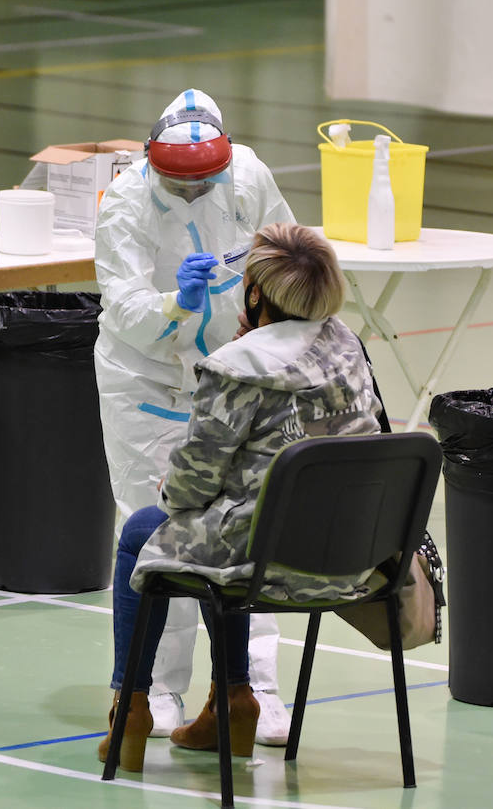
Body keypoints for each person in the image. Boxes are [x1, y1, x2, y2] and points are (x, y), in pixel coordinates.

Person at [97, 222, 387, 771]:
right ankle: (231, 703)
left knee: (143, 532)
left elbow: (193, 485)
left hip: (267, 563)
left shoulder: (239, 366)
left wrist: (174, 487)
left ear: (254, 293)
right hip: (355, 557)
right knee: (228, 527)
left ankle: (130, 709)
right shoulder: (348, 344)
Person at [93, 88, 296, 744]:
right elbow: (126, 311)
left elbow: (288, 260)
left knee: (249, 533)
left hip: (235, 382)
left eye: (204, 182)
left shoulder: (250, 179)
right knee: (155, 534)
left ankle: (252, 690)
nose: (192, 193)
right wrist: (177, 306)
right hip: (147, 383)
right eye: (178, 185)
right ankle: (154, 690)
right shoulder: (123, 204)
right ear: (152, 166)